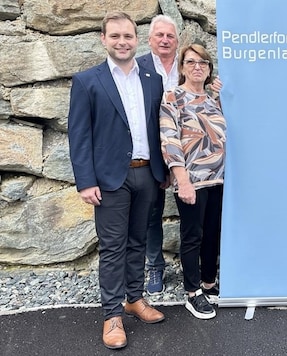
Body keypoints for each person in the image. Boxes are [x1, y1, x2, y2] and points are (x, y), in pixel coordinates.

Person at [67, 11, 167, 349]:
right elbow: (79, 135)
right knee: (113, 248)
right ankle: (112, 315)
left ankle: (134, 299)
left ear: (136, 40)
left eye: (128, 36)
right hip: (110, 179)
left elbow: (159, 127)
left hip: (147, 174)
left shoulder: (152, 78)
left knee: (138, 241)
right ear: (103, 39)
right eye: (116, 37)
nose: (122, 42)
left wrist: (163, 171)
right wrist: (85, 181)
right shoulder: (87, 81)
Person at [160, 43, 226, 319]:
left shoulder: (213, 99)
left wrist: (221, 98)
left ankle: (209, 283)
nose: (197, 66)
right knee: (192, 235)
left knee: (212, 234)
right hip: (191, 181)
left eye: (203, 62)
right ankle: (192, 292)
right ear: (182, 67)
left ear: (209, 69)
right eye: (191, 62)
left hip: (218, 179)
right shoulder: (173, 97)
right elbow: (170, 139)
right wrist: (182, 180)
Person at [136, 14, 179, 296]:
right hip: (152, 152)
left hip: (188, 153)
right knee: (152, 214)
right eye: (159, 35)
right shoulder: (136, 68)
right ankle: (155, 265)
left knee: (196, 213)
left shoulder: (188, 66)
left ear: (178, 41)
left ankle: (198, 269)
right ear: (150, 39)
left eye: (170, 36)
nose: (165, 40)